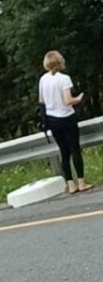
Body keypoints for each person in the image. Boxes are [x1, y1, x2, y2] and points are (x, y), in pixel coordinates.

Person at [39, 51, 92, 194]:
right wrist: (79, 98)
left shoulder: (43, 79)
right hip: (67, 117)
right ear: (60, 62)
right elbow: (68, 101)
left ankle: (70, 184)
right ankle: (81, 182)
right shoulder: (64, 79)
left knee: (64, 151)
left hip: (52, 119)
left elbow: (42, 101)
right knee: (74, 149)